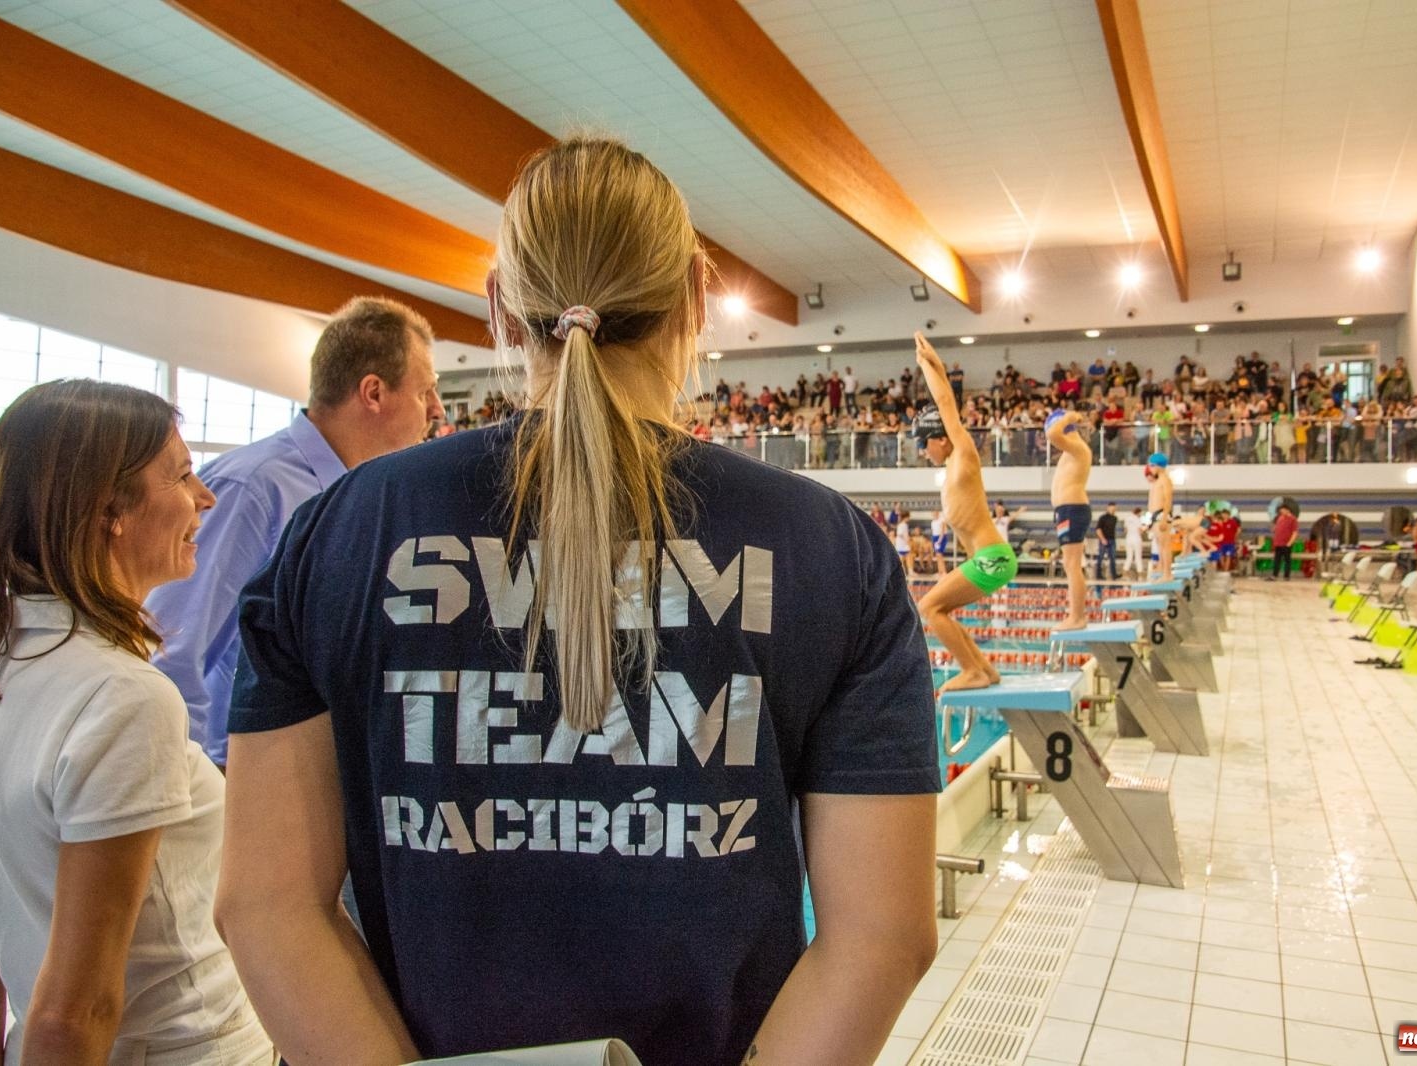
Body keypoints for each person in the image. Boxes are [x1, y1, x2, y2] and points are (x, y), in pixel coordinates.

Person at [217, 138, 939, 1066]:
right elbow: (880, 938)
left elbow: (266, 906)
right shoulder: (832, 551)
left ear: (498, 310)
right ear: (695, 298)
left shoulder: (342, 531)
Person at [0, 381, 270, 1063]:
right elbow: (78, 1010)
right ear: (111, 508)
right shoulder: (121, 698)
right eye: (183, 475)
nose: (206, 498)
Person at [147, 296, 444, 767]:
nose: (437, 411)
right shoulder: (253, 489)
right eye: (425, 391)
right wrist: (196, 797)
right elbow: (175, 651)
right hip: (234, 775)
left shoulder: (367, 493)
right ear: (374, 393)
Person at [913, 333, 1017, 691]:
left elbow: (944, 403)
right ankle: (984, 669)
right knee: (940, 608)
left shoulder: (963, 454)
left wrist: (932, 364)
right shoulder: (952, 467)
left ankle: (972, 670)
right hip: (988, 559)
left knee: (929, 608)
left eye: (923, 444)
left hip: (993, 558)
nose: (923, 452)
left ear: (941, 438)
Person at [1047, 410, 1092, 629]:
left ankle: (1078, 617)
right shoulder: (1071, 450)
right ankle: (1075, 613)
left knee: (1072, 564)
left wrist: (1071, 417)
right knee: (1070, 564)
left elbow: (1053, 435)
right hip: (1068, 510)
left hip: (1073, 509)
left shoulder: (1079, 448)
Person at [1144, 451, 1175, 578]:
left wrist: (1163, 518)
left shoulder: (1165, 480)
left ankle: (1168, 574)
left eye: (1151, 466)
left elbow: (1168, 500)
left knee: (1165, 545)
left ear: (1158, 466)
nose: (1150, 469)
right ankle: (1162, 569)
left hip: (1162, 515)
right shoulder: (1157, 481)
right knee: (1160, 545)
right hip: (1155, 516)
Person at [1270, 503, 1299, 581]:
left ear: (1287, 510)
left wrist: (1289, 543)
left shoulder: (1293, 519)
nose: (1281, 512)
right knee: (1276, 560)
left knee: (1287, 561)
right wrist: (1274, 527)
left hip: (1286, 544)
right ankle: (1274, 576)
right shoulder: (1280, 518)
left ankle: (1286, 576)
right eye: (1280, 511)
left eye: (1282, 511)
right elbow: (1275, 529)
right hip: (1278, 543)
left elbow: (1295, 532)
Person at [1094, 502, 1120, 582]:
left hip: (1112, 540)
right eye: (1112, 508)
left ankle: (1114, 574)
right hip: (1104, 540)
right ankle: (1098, 574)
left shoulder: (1115, 518)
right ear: (1108, 508)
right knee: (1100, 558)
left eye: (1114, 508)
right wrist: (1102, 539)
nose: (1113, 509)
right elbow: (1098, 529)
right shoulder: (1103, 518)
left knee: (1112, 558)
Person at [1123, 506, 1146, 578]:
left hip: (1128, 539)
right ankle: (1140, 573)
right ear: (1138, 513)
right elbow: (1140, 531)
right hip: (1136, 539)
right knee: (1138, 557)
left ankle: (1124, 572)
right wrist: (1145, 529)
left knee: (1129, 557)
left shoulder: (1127, 518)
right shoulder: (1138, 519)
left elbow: (1125, 531)